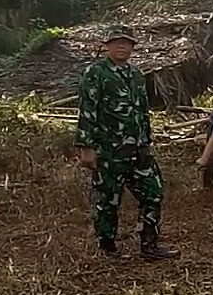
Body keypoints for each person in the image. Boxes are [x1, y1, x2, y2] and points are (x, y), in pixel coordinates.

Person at [75, 25, 178, 259]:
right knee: (108, 201)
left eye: (126, 42)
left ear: (132, 47)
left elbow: (142, 112)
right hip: (109, 150)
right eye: (116, 42)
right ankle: (108, 248)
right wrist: (86, 147)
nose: (121, 46)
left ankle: (149, 245)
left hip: (138, 150)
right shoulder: (96, 73)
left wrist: (146, 143)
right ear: (107, 46)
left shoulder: (136, 75)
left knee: (153, 193)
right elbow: (87, 110)